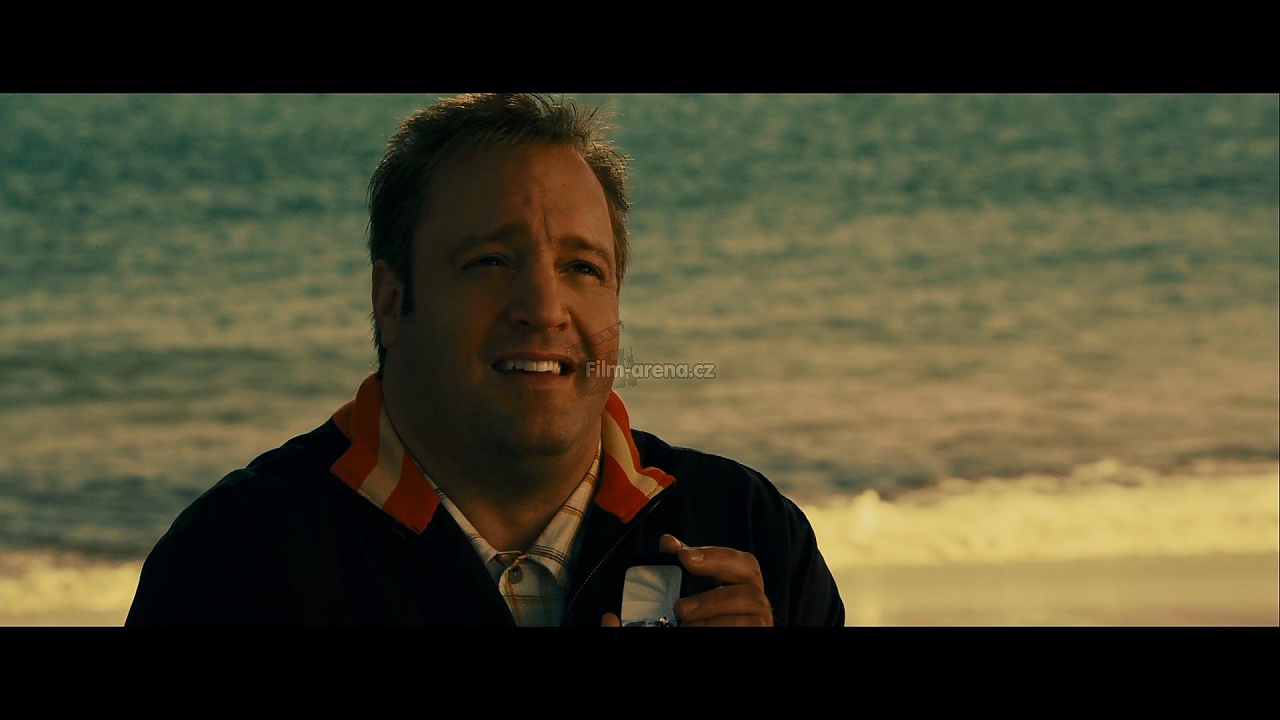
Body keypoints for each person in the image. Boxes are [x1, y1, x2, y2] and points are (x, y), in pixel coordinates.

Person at [125, 93, 845, 626]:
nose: (544, 307)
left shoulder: (750, 533)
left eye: (582, 268)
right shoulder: (236, 561)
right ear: (390, 302)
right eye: (491, 261)